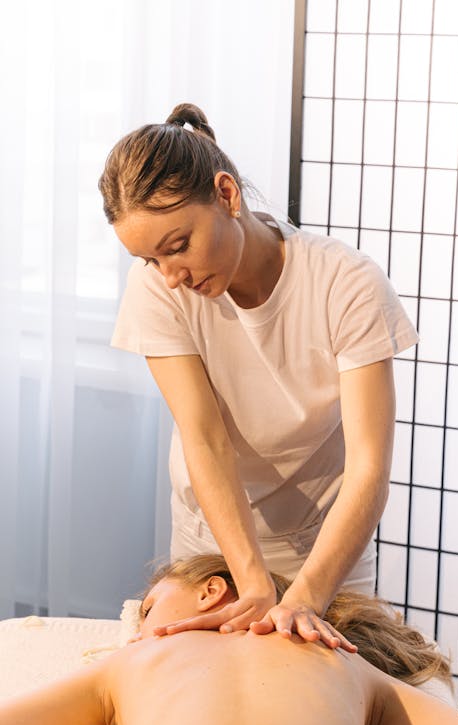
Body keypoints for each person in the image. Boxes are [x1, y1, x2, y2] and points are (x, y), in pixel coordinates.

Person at [99, 102, 419, 641]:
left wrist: (308, 598)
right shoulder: (159, 289)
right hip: (213, 542)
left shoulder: (347, 284)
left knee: (330, 703)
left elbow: (368, 466)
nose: (170, 276)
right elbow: (205, 438)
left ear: (228, 195)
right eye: (151, 259)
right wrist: (251, 584)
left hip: (326, 543)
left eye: (178, 247)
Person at [1, 554, 458, 725]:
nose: (138, 630)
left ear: (210, 592)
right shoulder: (342, 658)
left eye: (148, 610)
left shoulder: (136, 659)